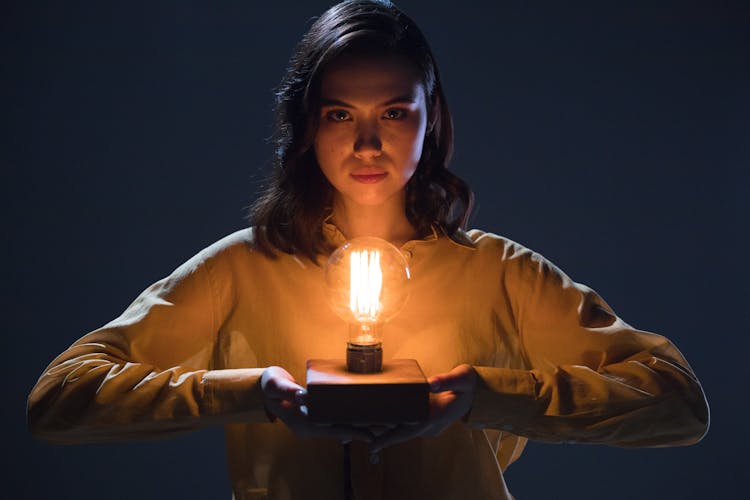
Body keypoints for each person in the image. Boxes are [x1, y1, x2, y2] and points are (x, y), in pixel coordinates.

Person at [27, 1, 709, 499]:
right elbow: (61, 401)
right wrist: (252, 393)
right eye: (339, 114)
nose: (367, 145)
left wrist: (484, 396)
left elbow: (676, 405)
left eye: (394, 112)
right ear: (305, 125)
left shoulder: (500, 273)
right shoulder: (244, 267)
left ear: (430, 115)